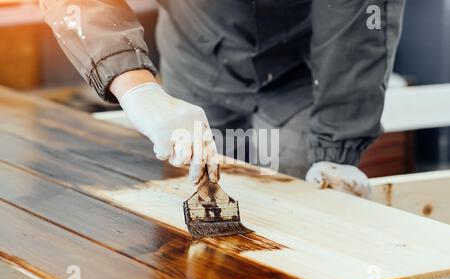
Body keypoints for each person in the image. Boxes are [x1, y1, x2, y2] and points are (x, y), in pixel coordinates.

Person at [39, 0, 405, 197]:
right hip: (197, 53)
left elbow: (359, 16)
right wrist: (136, 87)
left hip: (302, 67)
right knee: (189, 226)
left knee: (308, 217)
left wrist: (337, 148)